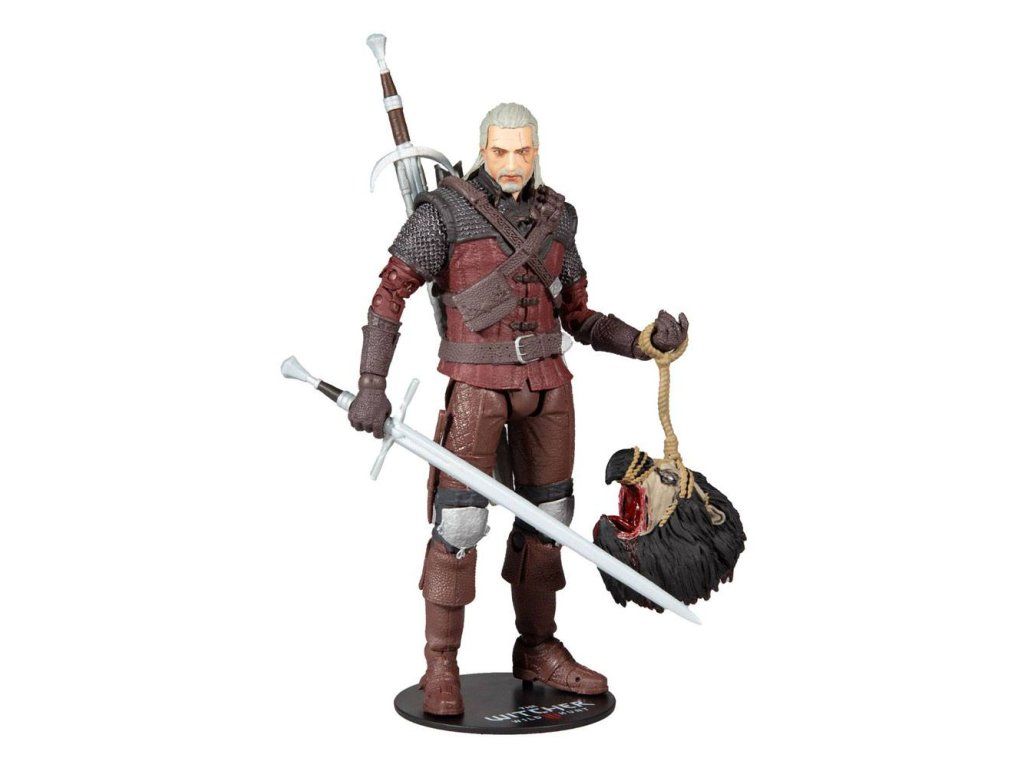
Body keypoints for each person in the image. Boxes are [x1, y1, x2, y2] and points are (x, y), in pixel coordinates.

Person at [348, 102, 687, 716]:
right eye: (500, 150)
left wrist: (644, 343)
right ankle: (440, 662)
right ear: (483, 149)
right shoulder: (444, 212)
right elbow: (389, 294)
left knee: (550, 522)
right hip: (477, 386)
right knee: (458, 527)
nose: (511, 163)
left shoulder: (558, 218)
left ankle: (537, 649)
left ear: (537, 152)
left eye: (523, 151)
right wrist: (371, 382)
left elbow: (579, 316)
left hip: (550, 388)